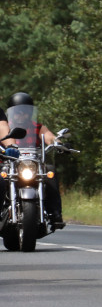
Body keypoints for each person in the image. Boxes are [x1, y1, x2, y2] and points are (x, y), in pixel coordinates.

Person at [5, 92, 64, 227]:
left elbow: (49, 136)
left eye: (25, 112)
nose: (21, 115)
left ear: (31, 112)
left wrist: (58, 143)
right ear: (12, 113)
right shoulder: (6, 128)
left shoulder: (37, 127)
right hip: (9, 163)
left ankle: (55, 213)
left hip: (32, 163)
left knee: (50, 171)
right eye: (18, 112)